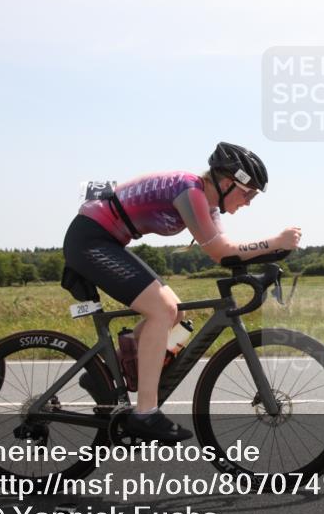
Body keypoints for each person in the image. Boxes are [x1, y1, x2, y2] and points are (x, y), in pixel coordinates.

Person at [64, 142, 301, 442]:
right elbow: (219, 251)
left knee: (177, 311)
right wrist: (275, 241)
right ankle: (145, 414)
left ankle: (108, 377)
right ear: (228, 183)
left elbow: (227, 253)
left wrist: (269, 259)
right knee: (162, 310)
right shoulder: (189, 191)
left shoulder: (207, 202)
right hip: (90, 240)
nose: (249, 202)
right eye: (248, 193)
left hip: (107, 240)